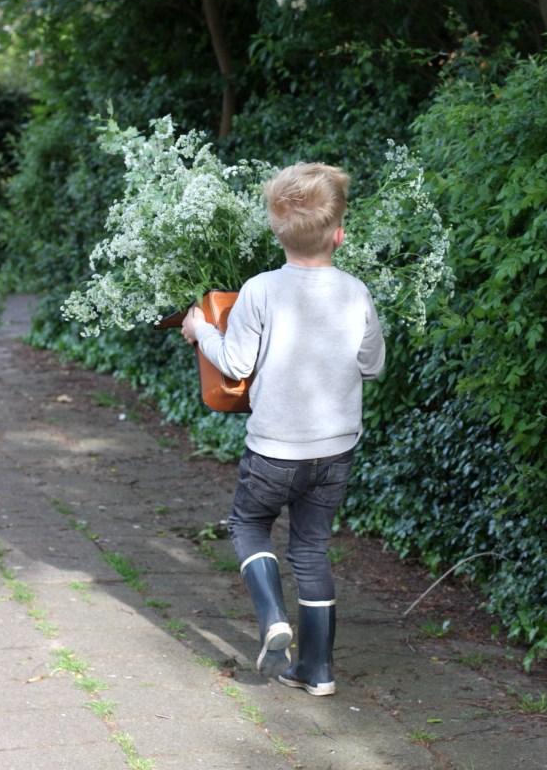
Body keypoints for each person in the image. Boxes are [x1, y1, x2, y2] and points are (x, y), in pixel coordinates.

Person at [181, 162, 386, 696]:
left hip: (274, 448)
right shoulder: (355, 291)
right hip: (336, 449)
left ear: (276, 230)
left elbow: (235, 363)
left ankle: (273, 618)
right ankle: (317, 671)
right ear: (339, 234)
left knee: (248, 525)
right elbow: (372, 365)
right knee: (311, 549)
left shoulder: (260, 290)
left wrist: (200, 329)